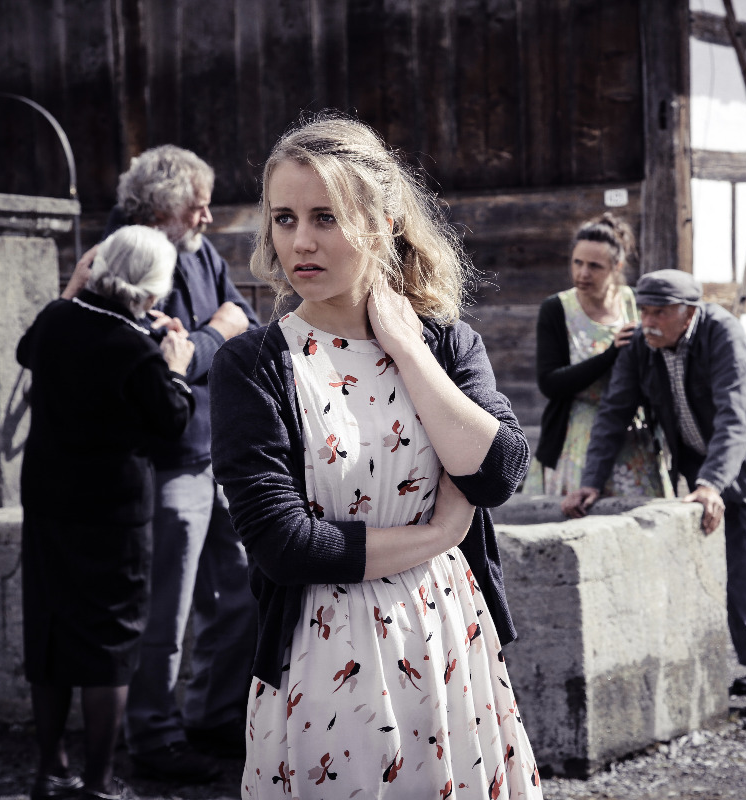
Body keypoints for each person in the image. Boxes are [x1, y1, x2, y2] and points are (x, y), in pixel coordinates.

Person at [209, 114, 543, 798]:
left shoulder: (446, 344)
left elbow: (499, 472)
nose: (300, 241)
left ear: (383, 223)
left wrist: (410, 351)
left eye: (325, 217)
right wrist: (439, 534)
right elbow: (284, 545)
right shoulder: (253, 364)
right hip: (324, 651)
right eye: (284, 218)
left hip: (447, 635)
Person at [65, 145, 261, 780]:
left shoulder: (199, 250)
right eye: (195, 205)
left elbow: (245, 317)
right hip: (163, 461)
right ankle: (153, 736)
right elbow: (143, 353)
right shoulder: (120, 255)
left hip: (216, 451)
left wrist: (201, 338)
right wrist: (215, 335)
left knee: (240, 592)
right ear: (156, 210)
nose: (208, 216)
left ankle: (213, 716)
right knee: (164, 612)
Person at [562, 270, 746, 718]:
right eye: (644, 311)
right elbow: (614, 412)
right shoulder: (642, 344)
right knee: (732, 568)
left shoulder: (723, 333)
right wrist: (590, 481)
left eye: (659, 312)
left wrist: (712, 483)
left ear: (688, 313)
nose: (648, 322)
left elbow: (736, 416)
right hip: (706, 472)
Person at [18, 226, 195, 800]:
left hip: (48, 503)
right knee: (109, 644)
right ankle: (98, 782)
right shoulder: (136, 350)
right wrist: (176, 366)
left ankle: (50, 771)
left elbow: (26, 351)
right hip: (113, 514)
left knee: (49, 629)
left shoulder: (57, 319)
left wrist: (72, 288)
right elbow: (171, 421)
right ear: (152, 289)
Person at [527, 213, 671, 499]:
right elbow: (550, 383)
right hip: (576, 436)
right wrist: (610, 354)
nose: (583, 273)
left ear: (617, 267)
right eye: (577, 262)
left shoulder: (635, 303)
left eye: (594, 266)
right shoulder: (557, 308)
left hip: (630, 433)